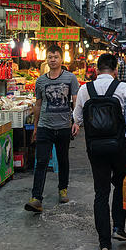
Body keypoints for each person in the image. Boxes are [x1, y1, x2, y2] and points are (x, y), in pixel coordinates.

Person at [72, 53, 126, 250]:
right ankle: (118, 227)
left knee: (101, 192)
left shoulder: (85, 90)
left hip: (95, 148)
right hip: (119, 147)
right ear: (115, 70)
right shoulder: (124, 88)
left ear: (96, 69)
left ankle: (104, 242)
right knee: (120, 185)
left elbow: (77, 118)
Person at [25, 44, 80, 213]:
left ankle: (63, 189)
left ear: (61, 59)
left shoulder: (70, 78)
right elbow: (38, 104)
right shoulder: (40, 81)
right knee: (41, 162)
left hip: (64, 126)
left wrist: (76, 121)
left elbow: (75, 101)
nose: (53, 60)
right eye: (50, 57)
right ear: (46, 59)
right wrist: (35, 126)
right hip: (45, 127)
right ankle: (36, 198)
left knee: (63, 160)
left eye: (56, 57)